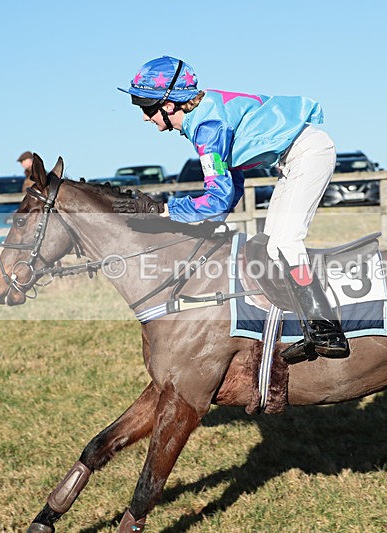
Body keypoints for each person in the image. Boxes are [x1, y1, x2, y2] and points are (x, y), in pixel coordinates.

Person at [119, 55, 348, 360]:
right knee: (272, 245)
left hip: (308, 154)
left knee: (285, 241)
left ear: (169, 105)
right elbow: (231, 186)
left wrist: (164, 210)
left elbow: (215, 199)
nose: (145, 117)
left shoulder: (207, 126)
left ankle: (328, 332)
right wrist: (207, 221)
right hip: (295, 158)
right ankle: (309, 328)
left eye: (147, 107)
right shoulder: (204, 117)